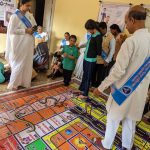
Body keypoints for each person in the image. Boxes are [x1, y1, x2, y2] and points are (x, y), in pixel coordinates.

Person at [93, 5, 150, 150]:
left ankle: (106, 144)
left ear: (132, 20)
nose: (125, 26)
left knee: (113, 118)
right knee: (130, 120)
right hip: (139, 90)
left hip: (123, 90)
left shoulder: (132, 42)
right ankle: (127, 146)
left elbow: (118, 70)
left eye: (126, 22)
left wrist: (101, 87)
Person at [5, 0, 37, 90]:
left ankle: (24, 82)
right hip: (19, 44)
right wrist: (25, 31)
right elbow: (11, 30)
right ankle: (14, 84)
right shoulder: (14, 16)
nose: (29, 8)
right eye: (27, 5)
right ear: (21, 5)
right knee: (18, 63)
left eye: (30, 6)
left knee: (27, 62)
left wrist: (33, 29)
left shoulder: (29, 15)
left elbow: (34, 26)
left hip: (28, 43)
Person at [78, 19, 102, 98]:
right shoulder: (93, 34)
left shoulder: (98, 36)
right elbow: (89, 44)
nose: (88, 31)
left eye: (88, 29)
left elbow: (99, 51)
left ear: (92, 27)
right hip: (86, 57)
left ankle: (85, 94)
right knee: (85, 74)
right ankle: (82, 89)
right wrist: (80, 46)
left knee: (88, 76)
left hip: (91, 60)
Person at [92, 22, 115, 87]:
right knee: (93, 73)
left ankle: (97, 87)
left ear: (105, 29)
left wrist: (107, 60)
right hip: (95, 58)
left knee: (100, 76)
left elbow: (112, 50)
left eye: (100, 30)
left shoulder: (111, 37)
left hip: (103, 60)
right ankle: (93, 85)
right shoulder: (98, 34)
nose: (99, 31)